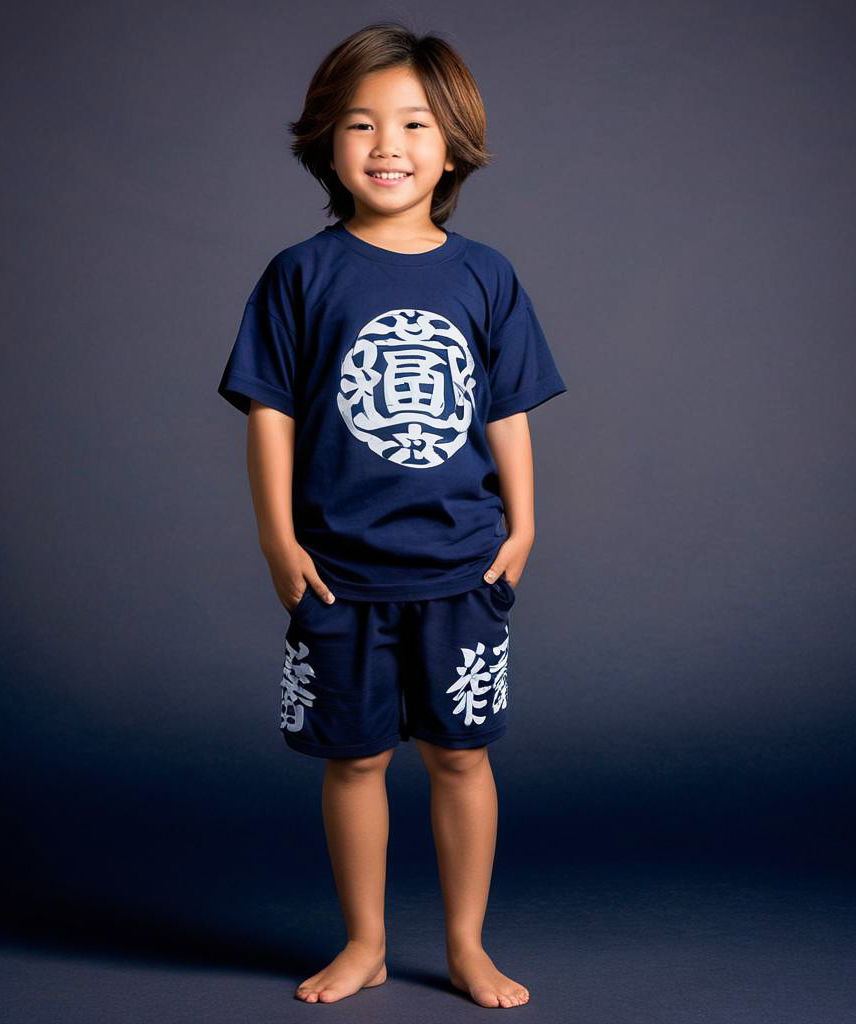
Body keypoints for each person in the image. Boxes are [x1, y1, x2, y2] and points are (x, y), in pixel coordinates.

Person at [218, 22, 567, 1010]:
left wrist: (524, 526)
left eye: (413, 123)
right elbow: (271, 414)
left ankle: (464, 943)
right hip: (337, 566)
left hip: (461, 561)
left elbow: (505, 410)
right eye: (361, 123)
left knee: (461, 754)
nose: (388, 145)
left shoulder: (485, 275)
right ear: (325, 143)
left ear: (451, 145)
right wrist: (276, 539)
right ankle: (365, 940)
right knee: (354, 755)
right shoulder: (300, 274)